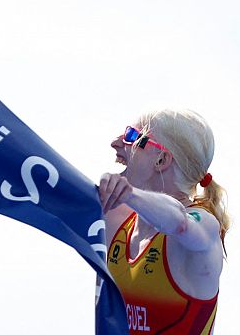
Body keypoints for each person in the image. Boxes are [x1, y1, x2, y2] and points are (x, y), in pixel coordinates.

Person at [98, 109, 229, 334]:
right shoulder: (117, 218)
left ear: (161, 159)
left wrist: (130, 194)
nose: (116, 143)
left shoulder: (204, 225)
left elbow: (179, 221)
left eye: (132, 136)